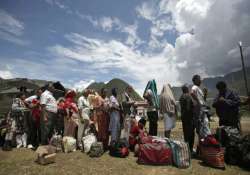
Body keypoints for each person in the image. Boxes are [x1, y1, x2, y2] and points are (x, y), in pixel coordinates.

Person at [191, 75, 211, 139]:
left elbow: (203, 101)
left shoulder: (199, 89)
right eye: (199, 79)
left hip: (202, 111)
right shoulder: (195, 87)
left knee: (204, 127)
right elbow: (192, 93)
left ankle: (203, 144)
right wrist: (199, 103)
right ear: (195, 80)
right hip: (200, 112)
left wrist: (205, 94)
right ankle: (202, 144)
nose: (201, 80)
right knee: (201, 128)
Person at [179, 85, 195, 153]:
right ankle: (190, 149)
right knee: (191, 133)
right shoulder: (188, 96)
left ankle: (187, 148)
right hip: (189, 117)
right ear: (187, 89)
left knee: (185, 133)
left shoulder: (181, 97)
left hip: (183, 117)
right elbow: (189, 107)